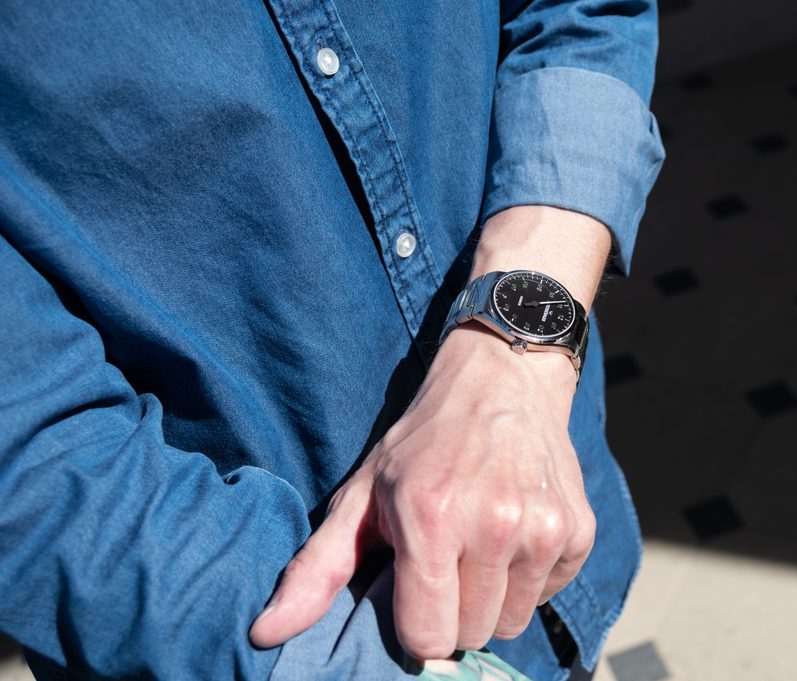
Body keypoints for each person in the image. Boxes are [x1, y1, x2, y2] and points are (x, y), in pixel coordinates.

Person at [0, 1, 664, 679]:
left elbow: (584, 13)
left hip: (553, 508)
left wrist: (514, 364)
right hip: (269, 637)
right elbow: (31, 454)